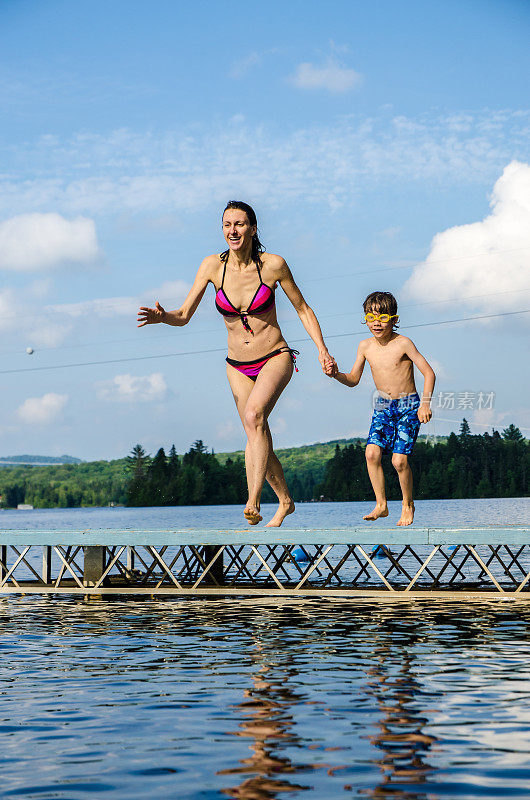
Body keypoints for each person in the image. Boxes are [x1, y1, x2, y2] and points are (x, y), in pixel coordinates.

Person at [137, 201, 334, 527]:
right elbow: (183, 316)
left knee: (254, 416)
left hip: (275, 356)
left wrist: (322, 349)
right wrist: (163, 318)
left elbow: (303, 309)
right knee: (256, 430)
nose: (233, 230)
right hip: (236, 365)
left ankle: (253, 501)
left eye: (240, 224)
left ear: (253, 228)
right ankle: (285, 501)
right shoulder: (212, 266)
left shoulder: (273, 265)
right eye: (227, 224)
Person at [326, 291, 435, 526]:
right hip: (383, 406)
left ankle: (407, 505)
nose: (377, 322)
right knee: (371, 454)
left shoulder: (403, 343)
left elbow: (429, 372)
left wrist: (425, 404)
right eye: (371, 317)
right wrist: (336, 375)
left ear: (394, 319)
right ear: (365, 319)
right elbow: (354, 379)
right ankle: (381, 505)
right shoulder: (365, 346)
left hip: (409, 405)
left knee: (398, 461)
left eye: (383, 317)